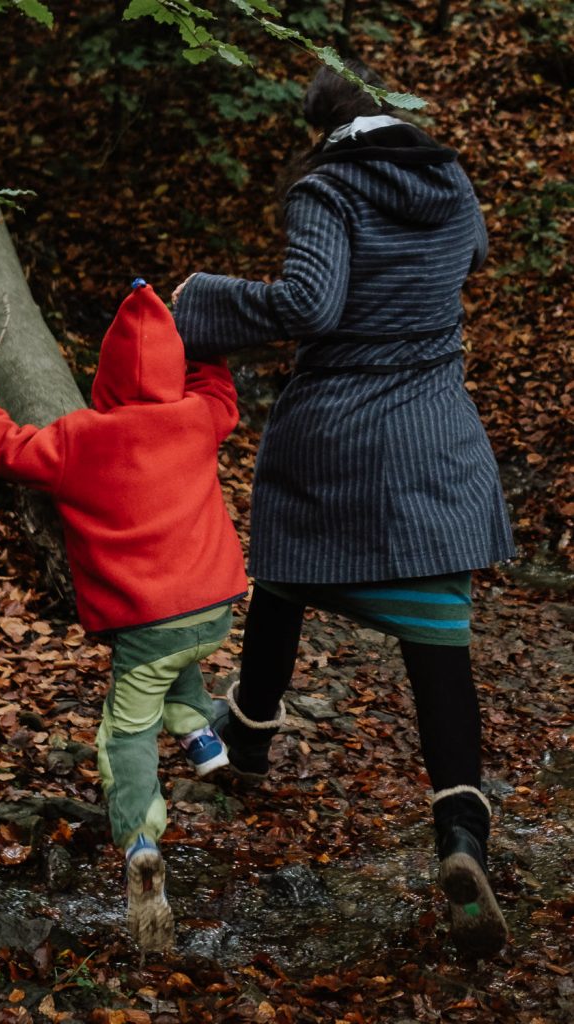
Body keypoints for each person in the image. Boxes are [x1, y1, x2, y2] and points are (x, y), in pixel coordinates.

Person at [171, 62, 516, 957]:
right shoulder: (448, 179)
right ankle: (460, 836)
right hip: (435, 436)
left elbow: (307, 304)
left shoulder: (325, 190)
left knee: (283, 574)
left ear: (319, 133)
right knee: (439, 639)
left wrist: (199, 302)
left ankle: (246, 740)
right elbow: (472, 255)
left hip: (342, 431)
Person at [0, 280, 248, 953]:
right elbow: (221, 396)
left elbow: (7, 449)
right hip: (212, 606)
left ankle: (140, 840)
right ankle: (203, 741)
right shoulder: (198, 416)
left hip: (146, 620)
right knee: (178, 658)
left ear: (105, 374)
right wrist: (203, 351)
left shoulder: (81, 438)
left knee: (125, 735)